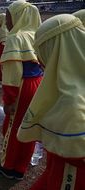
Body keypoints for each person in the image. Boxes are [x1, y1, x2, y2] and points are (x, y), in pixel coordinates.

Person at [17, 14, 85, 190]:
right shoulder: (70, 84)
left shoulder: (70, 103)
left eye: (42, 51)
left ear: (54, 51)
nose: (38, 60)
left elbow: (71, 161)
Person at [0, 0, 43, 180]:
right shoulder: (36, 34)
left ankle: (8, 166)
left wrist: (9, 100)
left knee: (13, 127)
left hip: (22, 86)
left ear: (18, 16)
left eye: (8, 16)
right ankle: (21, 166)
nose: (7, 21)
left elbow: (13, 72)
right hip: (38, 83)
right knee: (29, 126)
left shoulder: (15, 38)